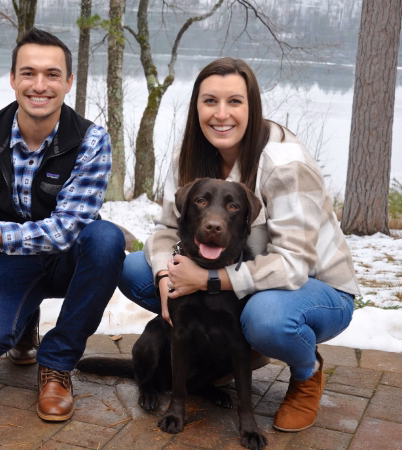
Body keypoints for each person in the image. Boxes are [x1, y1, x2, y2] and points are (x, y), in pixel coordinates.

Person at [119, 57, 359, 432]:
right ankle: (223, 353)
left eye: (235, 101)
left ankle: (304, 371)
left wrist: (207, 281)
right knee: (136, 269)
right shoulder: (190, 155)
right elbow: (166, 230)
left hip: (314, 290)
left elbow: (294, 265)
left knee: (265, 318)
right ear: (196, 106)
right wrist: (167, 277)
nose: (221, 114)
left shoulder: (285, 163)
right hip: (243, 278)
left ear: (253, 107)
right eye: (210, 101)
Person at [0, 28, 125, 422]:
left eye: (52, 74)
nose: (40, 85)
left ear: (69, 82)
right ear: (12, 79)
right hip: (14, 260)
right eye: (28, 73)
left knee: (106, 238)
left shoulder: (91, 141)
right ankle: (23, 325)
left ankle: (56, 363)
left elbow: (65, 230)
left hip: (72, 258)